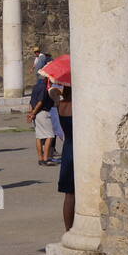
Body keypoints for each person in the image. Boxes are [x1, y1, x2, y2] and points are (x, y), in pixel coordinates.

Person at [27, 71, 58, 165]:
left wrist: (31, 112)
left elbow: (31, 101)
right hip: (42, 113)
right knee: (50, 135)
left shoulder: (36, 86)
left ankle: (41, 158)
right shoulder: (43, 87)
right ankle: (46, 158)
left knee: (39, 136)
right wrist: (33, 113)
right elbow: (40, 102)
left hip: (37, 113)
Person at [55, 85, 75, 230]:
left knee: (69, 194)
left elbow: (52, 93)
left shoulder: (60, 105)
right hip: (78, 146)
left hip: (68, 146)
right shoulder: (79, 106)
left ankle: (68, 228)